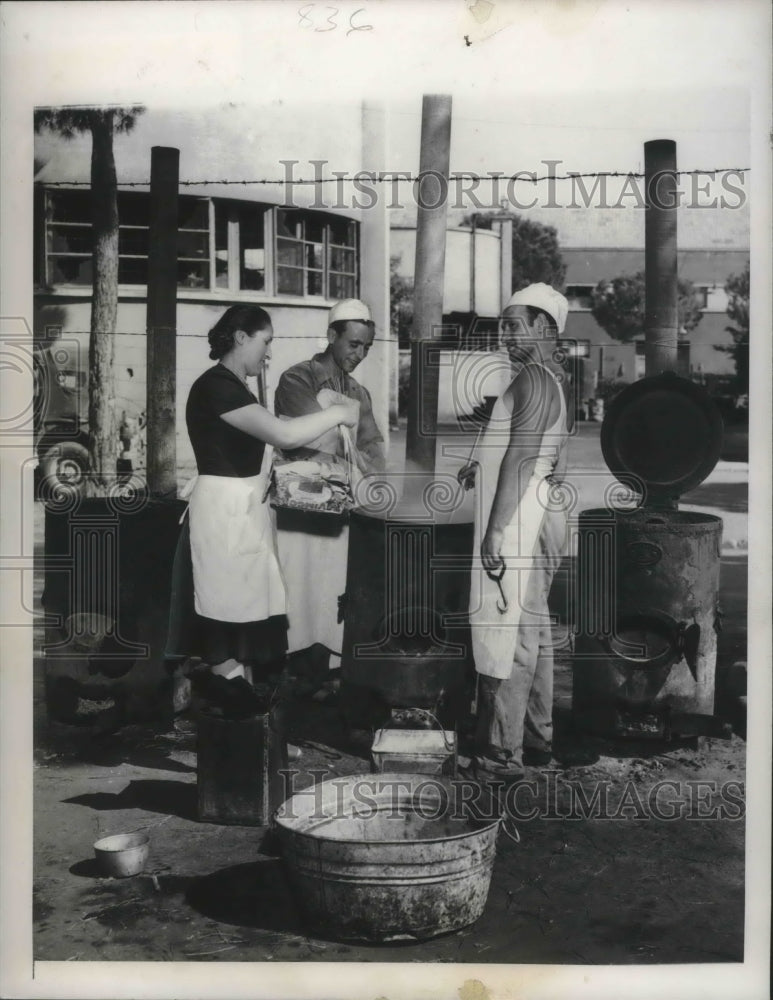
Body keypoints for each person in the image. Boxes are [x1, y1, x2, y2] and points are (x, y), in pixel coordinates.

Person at [166, 304, 359, 691]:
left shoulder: (235, 387)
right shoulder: (216, 386)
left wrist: (322, 408)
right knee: (224, 623)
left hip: (241, 513)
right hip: (223, 516)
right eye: (265, 342)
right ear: (241, 337)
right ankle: (231, 709)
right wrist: (340, 414)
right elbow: (282, 435)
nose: (268, 353)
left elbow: (276, 432)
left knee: (244, 622)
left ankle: (247, 718)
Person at [461, 283, 572, 780]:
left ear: (545, 328)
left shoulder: (534, 379)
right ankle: (535, 738)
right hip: (539, 507)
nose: (503, 336)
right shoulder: (547, 377)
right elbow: (546, 455)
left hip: (522, 518)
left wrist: (496, 530)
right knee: (535, 631)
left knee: (509, 634)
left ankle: (499, 755)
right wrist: (477, 468)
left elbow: (521, 457)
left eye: (514, 325)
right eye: (502, 326)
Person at [273, 298, 386, 669]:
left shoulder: (360, 394)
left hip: (340, 511)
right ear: (331, 336)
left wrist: (351, 459)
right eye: (354, 344)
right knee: (299, 588)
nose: (360, 353)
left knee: (332, 591)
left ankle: (326, 672)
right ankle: (292, 670)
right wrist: (348, 457)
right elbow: (309, 441)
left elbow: (374, 453)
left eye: (366, 347)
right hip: (300, 509)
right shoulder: (296, 378)